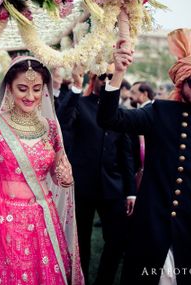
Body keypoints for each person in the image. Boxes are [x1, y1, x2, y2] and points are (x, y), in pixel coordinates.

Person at [97, 28, 191, 285]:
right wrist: (118, 73)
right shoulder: (160, 112)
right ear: (182, 81)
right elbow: (110, 118)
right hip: (149, 232)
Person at [0, 57, 84, 285]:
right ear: (8, 87)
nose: (30, 96)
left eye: (37, 89)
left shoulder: (51, 127)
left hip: (43, 221)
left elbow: (56, 173)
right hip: (2, 222)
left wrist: (64, 177)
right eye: (22, 89)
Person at [58, 70, 136, 284]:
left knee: (117, 240)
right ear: (94, 80)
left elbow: (126, 155)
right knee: (80, 241)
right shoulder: (80, 104)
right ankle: (79, 279)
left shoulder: (121, 112)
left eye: (112, 76)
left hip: (113, 187)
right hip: (82, 186)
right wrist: (75, 87)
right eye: (104, 76)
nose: (108, 81)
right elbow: (62, 121)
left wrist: (131, 192)